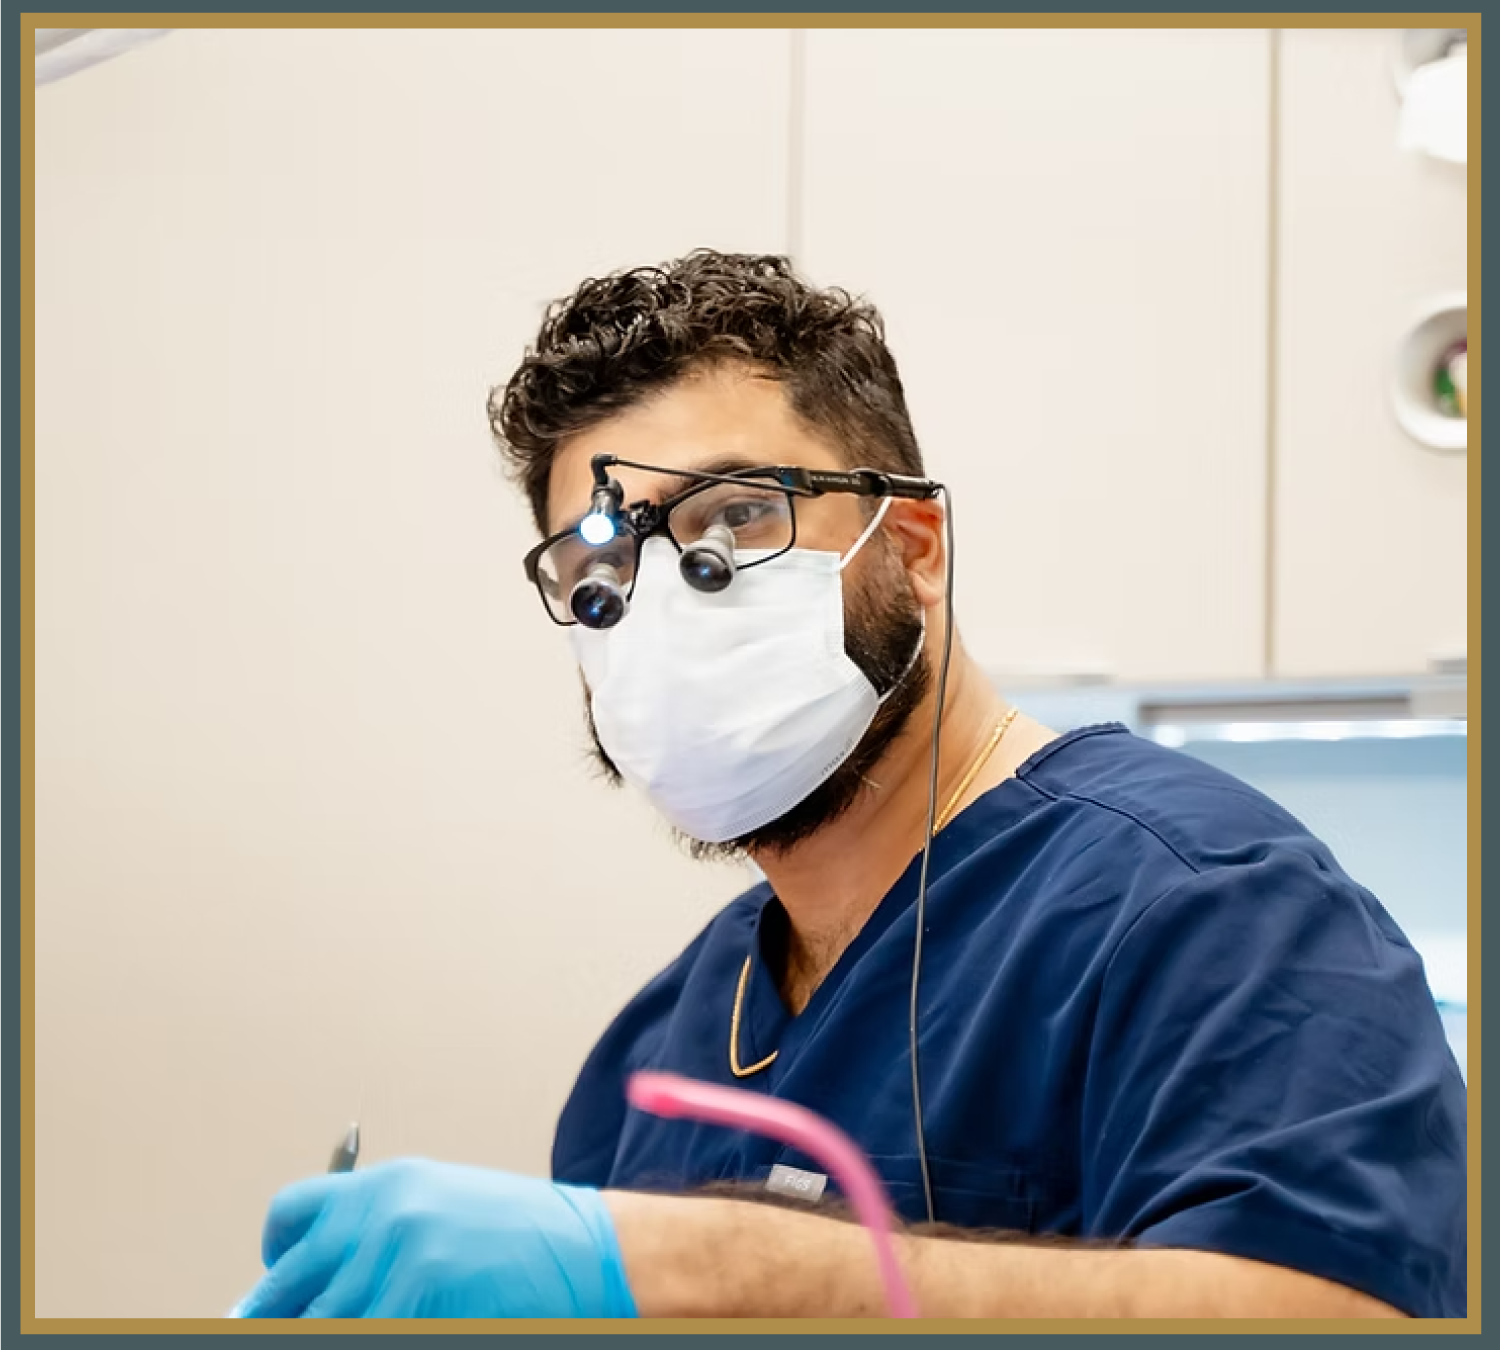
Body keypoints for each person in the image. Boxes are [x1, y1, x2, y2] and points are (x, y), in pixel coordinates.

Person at [236, 251, 1466, 1319]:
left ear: (915, 552)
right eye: (601, 571)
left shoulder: (1205, 912)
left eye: (730, 519)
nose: (662, 599)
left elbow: (1342, 1309)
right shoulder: (653, 1051)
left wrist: (722, 1270)